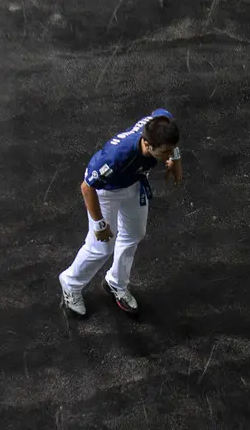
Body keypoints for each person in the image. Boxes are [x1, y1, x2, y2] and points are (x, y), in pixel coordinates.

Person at [58, 108, 182, 317]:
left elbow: (164, 114)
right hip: (106, 192)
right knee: (102, 247)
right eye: (165, 153)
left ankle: (116, 282)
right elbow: (87, 187)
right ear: (148, 145)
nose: (168, 156)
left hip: (133, 184)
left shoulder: (161, 123)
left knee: (134, 234)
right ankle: (70, 283)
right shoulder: (116, 158)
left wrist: (175, 159)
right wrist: (99, 224)